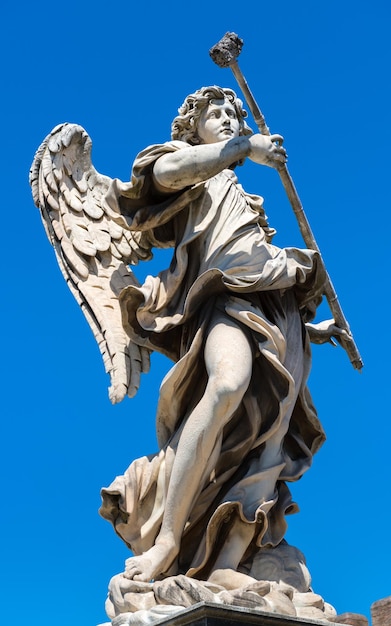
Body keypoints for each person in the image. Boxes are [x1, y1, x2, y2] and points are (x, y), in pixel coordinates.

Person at [100, 86, 343, 584]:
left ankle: (229, 563)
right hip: (223, 297)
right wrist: (243, 149)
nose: (231, 118)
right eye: (219, 112)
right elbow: (162, 177)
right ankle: (168, 540)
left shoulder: (242, 192)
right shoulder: (186, 165)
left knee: (270, 443)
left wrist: (315, 328)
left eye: (236, 112)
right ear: (193, 124)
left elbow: (261, 261)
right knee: (228, 384)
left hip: (280, 310)